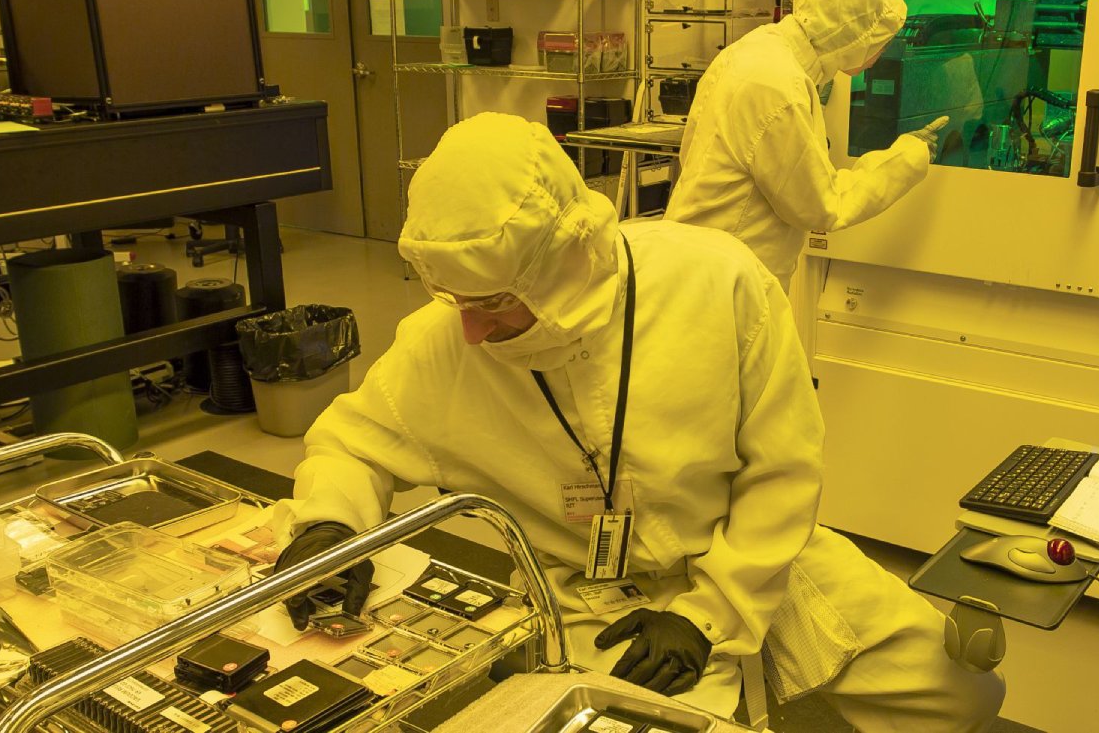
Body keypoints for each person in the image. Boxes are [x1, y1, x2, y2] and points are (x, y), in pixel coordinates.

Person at [271, 112, 1003, 729]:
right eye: (454, 300)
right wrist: (328, 525)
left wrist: (707, 614)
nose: (470, 331)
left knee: (958, 687)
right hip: (594, 600)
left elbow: (784, 473)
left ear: (558, 265)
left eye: (491, 304)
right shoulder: (444, 343)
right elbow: (352, 442)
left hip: (752, 557)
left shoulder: (720, 286)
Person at [665, 0, 948, 286]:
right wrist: (908, 156)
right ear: (855, 36)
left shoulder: (753, 52)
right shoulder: (780, 87)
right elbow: (822, 206)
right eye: (881, 43)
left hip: (700, 262)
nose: (882, 54)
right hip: (727, 280)